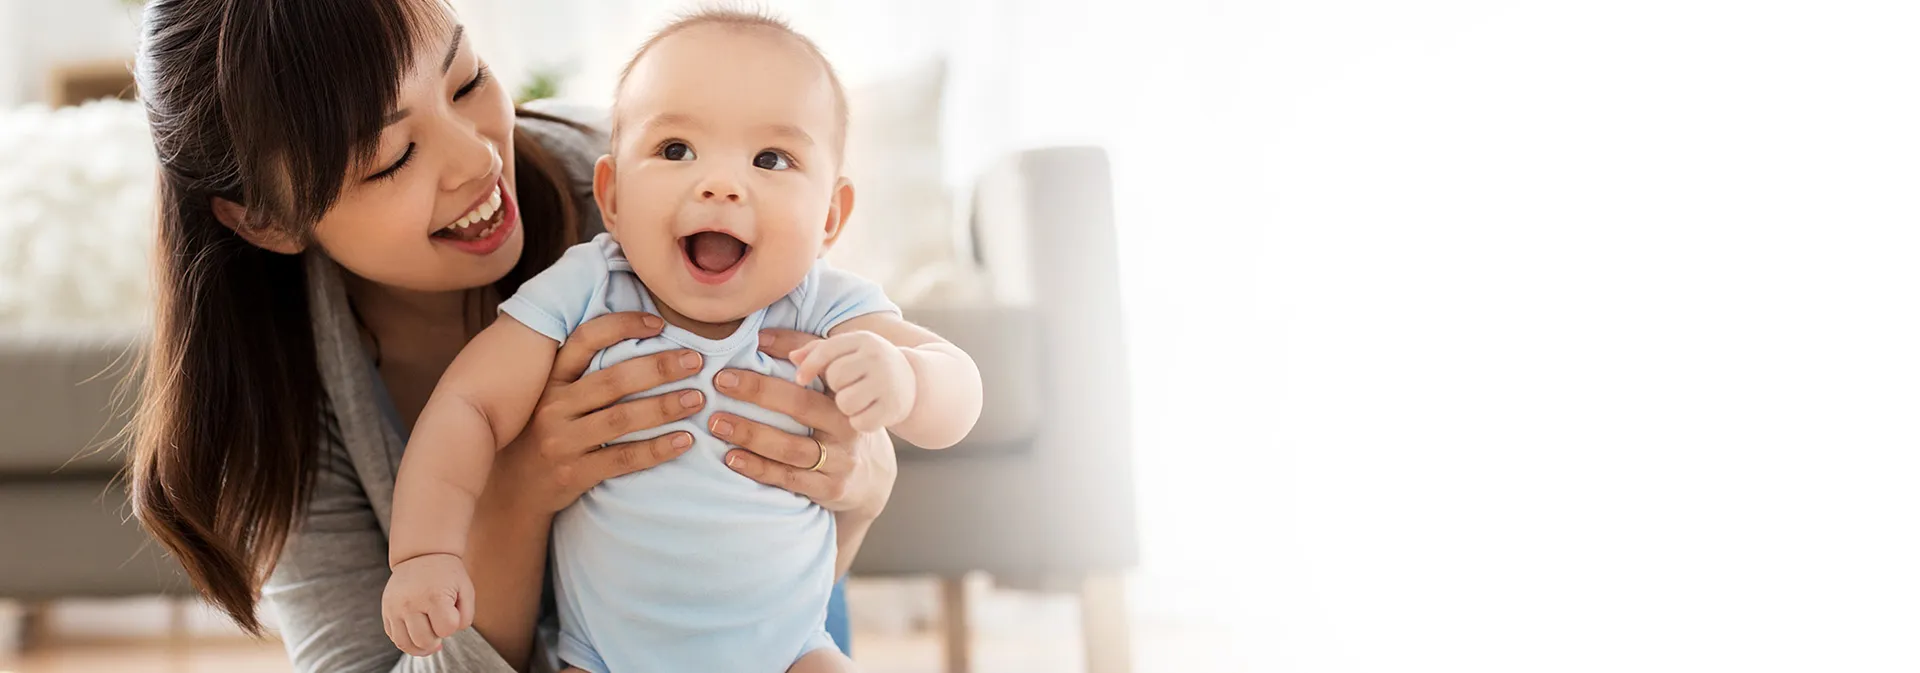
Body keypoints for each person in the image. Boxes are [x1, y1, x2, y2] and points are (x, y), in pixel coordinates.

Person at [127, 1, 900, 671]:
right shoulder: (273, 399)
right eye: (393, 156)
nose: (478, 156)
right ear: (266, 217)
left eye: (466, 79)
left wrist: (862, 487)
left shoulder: (662, 191)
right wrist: (517, 494)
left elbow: (806, 523)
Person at [376, 11, 982, 673]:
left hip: (789, 653)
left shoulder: (825, 304)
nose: (720, 184)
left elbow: (958, 386)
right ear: (610, 194)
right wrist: (424, 552)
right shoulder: (588, 286)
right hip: (606, 658)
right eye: (675, 150)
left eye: (771, 158)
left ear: (830, 216)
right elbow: (469, 406)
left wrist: (909, 378)